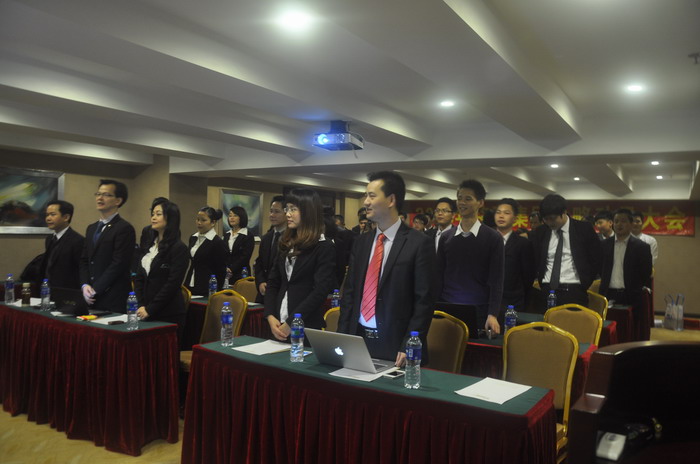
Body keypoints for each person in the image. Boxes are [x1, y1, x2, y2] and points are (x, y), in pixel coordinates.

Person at [338, 171, 435, 366]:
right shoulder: (362, 242)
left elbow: (424, 301)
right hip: (358, 338)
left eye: (372, 196)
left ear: (391, 200)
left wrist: (410, 343)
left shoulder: (418, 243)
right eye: (366, 196)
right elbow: (349, 293)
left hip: (397, 345)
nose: (366, 202)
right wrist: (342, 336)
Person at [264, 189, 336, 340]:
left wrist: (292, 322)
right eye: (287, 209)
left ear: (308, 212)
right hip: (277, 322)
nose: (288, 214)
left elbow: (320, 291)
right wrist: (270, 315)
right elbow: (273, 282)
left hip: (305, 324)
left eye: (293, 209)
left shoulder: (323, 246)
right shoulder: (285, 242)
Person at [436, 180, 504, 333]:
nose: (462, 203)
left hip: (478, 308)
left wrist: (493, 314)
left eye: (468, 199)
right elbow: (438, 275)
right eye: (459, 198)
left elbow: (497, 280)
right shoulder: (446, 237)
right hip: (447, 305)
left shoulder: (493, 238)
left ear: (480, 202)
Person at [532, 194, 601, 311]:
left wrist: (585, 283)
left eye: (553, 218)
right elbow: (536, 260)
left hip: (574, 290)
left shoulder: (583, 229)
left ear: (564, 212)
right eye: (546, 219)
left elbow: (596, 259)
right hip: (547, 290)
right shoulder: (541, 232)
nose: (549, 223)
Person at [134, 199, 190, 341]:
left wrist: (150, 309)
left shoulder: (179, 248)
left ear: (170, 218)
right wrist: (141, 305)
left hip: (168, 314)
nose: (153, 217)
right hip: (144, 311)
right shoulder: (149, 245)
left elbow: (172, 284)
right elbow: (139, 278)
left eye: (158, 214)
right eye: (152, 214)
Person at [80, 179, 136, 312]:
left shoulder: (124, 228)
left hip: (113, 297)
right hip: (90, 296)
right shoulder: (91, 228)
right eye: (98, 194)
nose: (100, 198)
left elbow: (119, 264)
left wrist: (96, 289)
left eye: (106, 195)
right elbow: (84, 260)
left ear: (118, 201)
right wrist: (85, 285)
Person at [599, 209, 653, 340]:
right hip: (608, 294)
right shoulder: (603, 245)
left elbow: (646, 273)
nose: (619, 224)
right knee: (608, 332)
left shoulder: (642, 247)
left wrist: (635, 288)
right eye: (616, 221)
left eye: (623, 221)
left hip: (631, 295)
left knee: (630, 332)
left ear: (631, 223)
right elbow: (599, 268)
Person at [495, 198, 535, 312]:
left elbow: (528, 277)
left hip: (512, 301)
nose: (501, 216)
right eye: (498, 212)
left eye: (506, 213)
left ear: (515, 218)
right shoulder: (485, 240)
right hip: (486, 299)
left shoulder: (523, 244)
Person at [40, 200, 85, 289]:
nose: (48, 218)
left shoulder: (78, 240)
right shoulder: (49, 239)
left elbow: (80, 271)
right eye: (47, 215)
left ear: (66, 217)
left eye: (53, 214)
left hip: (67, 291)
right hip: (48, 289)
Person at [185, 206, 227, 296]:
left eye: (203, 220)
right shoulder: (193, 238)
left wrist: (216, 291)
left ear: (213, 222)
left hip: (206, 286)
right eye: (197, 219)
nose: (199, 223)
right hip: (190, 283)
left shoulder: (217, 242)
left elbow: (221, 271)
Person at [254, 196, 286, 303]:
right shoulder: (266, 237)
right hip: (264, 293)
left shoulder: (292, 238)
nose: (272, 215)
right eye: (271, 211)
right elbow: (259, 262)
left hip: (281, 293)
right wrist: (261, 282)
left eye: (277, 212)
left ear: (286, 213)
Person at [223, 206, 255, 283]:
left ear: (241, 217)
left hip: (241, 273)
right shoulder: (227, 235)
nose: (231, 218)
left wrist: (231, 269)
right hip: (226, 274)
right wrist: (225, 268)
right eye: (230, 215)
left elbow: (245, 256)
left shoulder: (248, 235)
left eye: (235, 215)